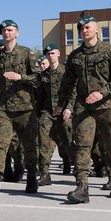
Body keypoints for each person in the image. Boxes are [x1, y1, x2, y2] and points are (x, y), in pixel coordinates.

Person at [52, 15, 111, 203]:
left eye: (88, 28)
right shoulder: (75, 56)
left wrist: (102, 93)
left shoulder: (109, 51)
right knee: (82, 145)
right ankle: (82, 187)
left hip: (107, 106)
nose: (85, 31)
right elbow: (67, 83)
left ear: (97, 29)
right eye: (82, 29)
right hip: (84, 107)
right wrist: (61, 105)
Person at [0, 19, 40, 197]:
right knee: (0, 144)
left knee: (28, 146)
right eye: (4, 31)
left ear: (17, 33)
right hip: (4, 108)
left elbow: (39, 79)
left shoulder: (27, 53)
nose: (7, 33)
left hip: (25, 108)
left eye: (10, 30)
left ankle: (32, 177)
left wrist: (20, 77)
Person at [36, 43, 72, 186]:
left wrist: (69, 108)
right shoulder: (43, 75)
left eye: (52, 53)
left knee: (68, 140)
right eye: (48, 54)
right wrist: (38, 114)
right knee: (44, 141)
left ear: (58, 54)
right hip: (47, 112)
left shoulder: (66, 72)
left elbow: (73, 91)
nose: (50, 56)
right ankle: (45, 173)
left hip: (63, 110)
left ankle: (76, 167)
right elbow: (40, 96)